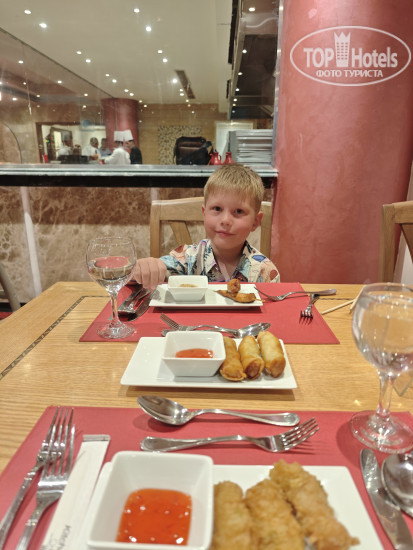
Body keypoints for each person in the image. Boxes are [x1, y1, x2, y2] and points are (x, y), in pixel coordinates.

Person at [134, 163, 280, 288]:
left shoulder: (265, 272)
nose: (225, 220)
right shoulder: (187, 258)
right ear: (204, 214)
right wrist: (144, 268)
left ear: (255, 222)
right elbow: (144, 274)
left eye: (239, 211)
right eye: (217, 208)